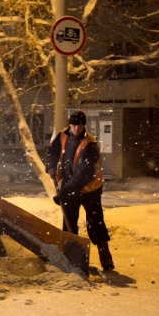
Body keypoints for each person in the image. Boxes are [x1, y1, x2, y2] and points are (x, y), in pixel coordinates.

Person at [45, 110, 115, 271]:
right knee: (68, 223)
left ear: (84, 126)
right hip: (70, 187)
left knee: (95, 224)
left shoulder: (89, 144)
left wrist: (64, 192)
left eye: (80, 126)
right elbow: (52, 151)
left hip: (90, 189)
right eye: (74, 125)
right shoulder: (62, 136)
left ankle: (106, 259)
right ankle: (71, 258)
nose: (76, 129)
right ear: (70, 125)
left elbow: (83, 175)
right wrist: (50, 166)